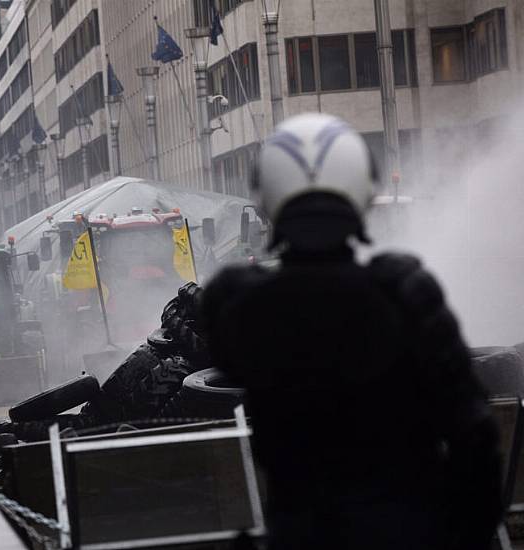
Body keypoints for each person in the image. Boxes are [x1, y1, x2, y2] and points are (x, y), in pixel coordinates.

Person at [199, 113, 501, 550]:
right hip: (408, 533)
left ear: (266, 199)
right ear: (363, 190)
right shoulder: (405, 294)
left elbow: (230, 345)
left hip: (303, 535)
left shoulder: (240, 305)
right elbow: (475, 434)